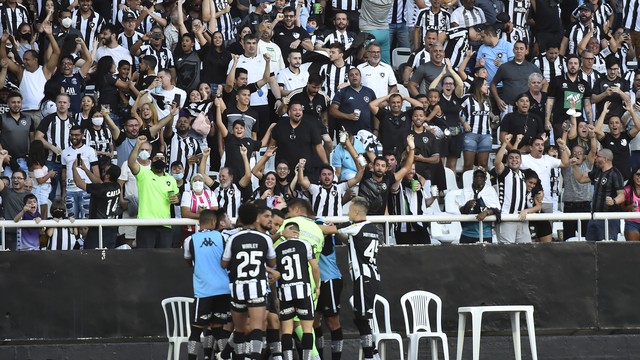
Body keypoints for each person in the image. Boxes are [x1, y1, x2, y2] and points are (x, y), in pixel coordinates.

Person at [321, 197, 380, 360]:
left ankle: (370, 356)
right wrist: (338, 232)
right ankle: (373, 353)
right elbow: (350, 240)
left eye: (349, 210)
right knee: (362, 317)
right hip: (372, 277)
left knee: (361, 318)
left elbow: (328, 231)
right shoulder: (371, 228)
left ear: (355, 212)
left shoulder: (355, 226)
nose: (348, 213)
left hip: (363, 278)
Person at [221, 202, 278, 360]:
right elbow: (272, 263)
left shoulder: (233, 238)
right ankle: (254, 357)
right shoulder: (265, 238)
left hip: (238, 287)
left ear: (239, 218)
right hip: (257, 287)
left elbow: (224, 263)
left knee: (239, 330)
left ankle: (231, 356)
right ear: (255, 218)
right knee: (256, 328)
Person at [183, 209, 232, 360]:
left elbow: (188, 260)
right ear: (213, 222)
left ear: (199, 223)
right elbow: (228, 259)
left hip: (204, 290)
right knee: (218, 328)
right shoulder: (223, 237)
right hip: (223, 289)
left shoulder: (190, 240)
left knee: (196, 329)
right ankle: (225, 357)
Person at [274, 222, 320, 360]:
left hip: (285, 292)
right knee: (307, 330)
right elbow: (315, 268)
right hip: (303, 291)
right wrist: (317, 287)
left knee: (286, 331)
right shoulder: (304, 244)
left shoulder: (277, 248)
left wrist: (276, 295)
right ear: (297, 232)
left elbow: (273, 274)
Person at [128, 135, 180, 248]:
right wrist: (137, 145)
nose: (160, 161)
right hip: (146, 224)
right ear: (151, 161)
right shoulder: (144, 174)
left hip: (165, 225)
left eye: (162, 159)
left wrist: (177, 198)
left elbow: (176, 195)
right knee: (145, 258)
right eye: (157, 159)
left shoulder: (171, 179)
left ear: (166, 161)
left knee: (163, 259)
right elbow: (131, 163)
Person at [572, 148, 625, 241]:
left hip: (609, 218)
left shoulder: (615, 174)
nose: (595, 158)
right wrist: (574, 166)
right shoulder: (597, 172)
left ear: (605, 159)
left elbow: (622, 195)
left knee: (606, 249)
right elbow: (581, 179)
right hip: (594, 217)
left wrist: (614, 201)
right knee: (590, 247)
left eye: (598, 156)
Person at [72, 158, 122, 249]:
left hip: (98, 228)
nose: (103, 171)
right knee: (108, 254)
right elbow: (99, 182)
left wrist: (73, 169)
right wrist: (85, 169)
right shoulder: (117, 186)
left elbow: (79, 183)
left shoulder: (101, 189)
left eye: (104, 171)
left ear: (107, 176)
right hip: (111, 228)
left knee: (90, 253)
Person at [494, 134, 530, 244]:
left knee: (526, 251)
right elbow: (497, 162)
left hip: (522, 218)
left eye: (517, 158)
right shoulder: (505, 173)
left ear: (521, 160)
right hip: (506, 218)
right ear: (507, 161)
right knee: (507, 253)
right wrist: (505, 143)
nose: (514, 160)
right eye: (511, 158)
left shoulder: (523, 175)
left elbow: (514, 153)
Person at [60, 125, 100, 219]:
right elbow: (64, 173)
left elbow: (96, 172)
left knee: (86, 220)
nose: (74, 137)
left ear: (82, 135)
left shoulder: (90, 150)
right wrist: (63, 192)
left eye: (77, 135)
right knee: (71, 220)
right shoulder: (64, 152)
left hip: (86, 190)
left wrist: (96, 189)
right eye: (72, 135)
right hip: (70, 191)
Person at [329, 68, 377, 135]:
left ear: (360, 77)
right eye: (351, 75)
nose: (354, 76)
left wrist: (376, 129)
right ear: (348, 78)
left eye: (356, 74)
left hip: (367, 132)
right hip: (348, 133)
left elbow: (376, 112)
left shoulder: (369, 92)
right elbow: (332, 111)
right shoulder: (342, 92)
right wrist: (348, 116)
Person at [0, 153, 32, 251]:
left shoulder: (29, 196)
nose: (15, 180)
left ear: (24, 181)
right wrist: (1, 159)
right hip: (8, 234)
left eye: (19, 178)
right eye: (14, 178)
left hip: (24, 235)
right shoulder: (7, 192)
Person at [459, 168, 500, 243]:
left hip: (485, 234)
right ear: (473, 178)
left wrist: (486, 212)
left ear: (485, 178)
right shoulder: (466, 190)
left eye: (481, 176)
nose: (478, 178)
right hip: (467, 233)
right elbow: (461, 211)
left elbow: (497, 210)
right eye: (476, 176)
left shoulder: (490, 190)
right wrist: (467, 206)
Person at [461, 77, 493, 171]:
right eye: (485, 84)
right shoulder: (467, 97)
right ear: (479, 86)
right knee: (468, 164)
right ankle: (466, 184)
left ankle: (483, 184)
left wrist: (494, 118)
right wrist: (464, 122)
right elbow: (458, 110)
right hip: (471, 133)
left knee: (483, 164)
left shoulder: (487, 99)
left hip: (485, 134)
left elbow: (488, 113)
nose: (488, 86)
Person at [0, 91, 35, 178]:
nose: (16, 105)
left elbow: (32, 140)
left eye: (18, 102)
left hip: (25, 160)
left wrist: (31, 156)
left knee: (26, 188)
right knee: (8, 189)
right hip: (8, 161)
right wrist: (4, 156)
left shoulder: (29, 118)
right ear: (8, 104)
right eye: (13, 102)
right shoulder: (1, 118)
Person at [622, 166, 640, 241]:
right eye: (638, 174)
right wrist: (629, 207)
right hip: (632, 223)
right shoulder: (626, 190)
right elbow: (621, 209)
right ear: (633, 175)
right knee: (634, 250)